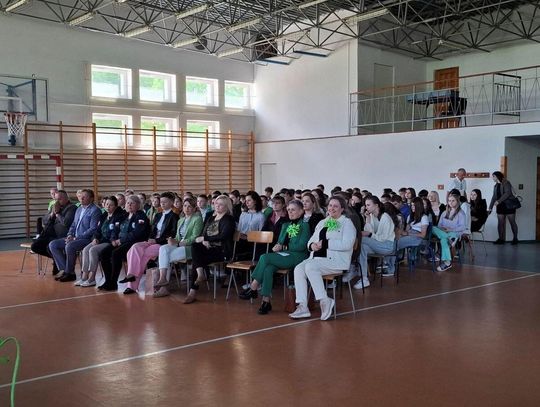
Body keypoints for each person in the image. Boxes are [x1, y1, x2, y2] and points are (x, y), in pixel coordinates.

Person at [289, 196, 356, 321]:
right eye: (330, 205)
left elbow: (348, 244)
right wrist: (312, 246)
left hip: (336, 261)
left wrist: (326, 243)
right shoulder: (323, 222)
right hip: (317, 259)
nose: (332, 208)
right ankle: (303, 306)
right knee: (298, 269)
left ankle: (324, 300)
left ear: (342, 209)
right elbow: (311, 241)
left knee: (310, 267)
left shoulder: (346, 223)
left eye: (335, 206)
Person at [239, 200, 310, 314]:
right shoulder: (286, 225)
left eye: (293, 210)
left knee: (264, 257)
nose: (290, 212)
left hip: (297, 256)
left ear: (301, 211)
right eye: (289, 210)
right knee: (268, 268)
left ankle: (253, 286)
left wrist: (284, 246)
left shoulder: (304, 225)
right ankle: (265, 302)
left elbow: (302, 246)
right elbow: (280, 242)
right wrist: (277, 246)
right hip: (284, 255)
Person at [120, 192, 179, 294]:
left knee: (143, 256)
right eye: (161, 202)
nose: (162, 204)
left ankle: (132, 286)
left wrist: (156, 240)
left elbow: (172, 234)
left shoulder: (174, 217)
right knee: (134, 247)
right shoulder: (158, 215)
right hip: (152, 241)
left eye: (165, 202)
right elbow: (152, 230)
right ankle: (131, 274)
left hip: (162, 244)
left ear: (171, 203)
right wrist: (150, 239)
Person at [183, 195, 236, 304]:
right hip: (208, 249)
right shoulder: (211, 218)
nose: (217, 206)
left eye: (221, 204)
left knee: (197, 261)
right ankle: (200, 275)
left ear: (227, 207)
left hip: (221, 251)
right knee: (195, 246)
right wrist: (204, 241)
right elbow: (203, 233)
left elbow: (223, 236)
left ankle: (193, 291)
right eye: (216, 203)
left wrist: (206, 239)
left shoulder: (229, 219)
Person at [153, 197, 204, 298]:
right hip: (178, 245)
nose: (186, 208)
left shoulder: (197, 219)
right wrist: (172, 239)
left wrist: (180, 243)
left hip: (190, 247)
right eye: (185, 206)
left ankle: (164, 288)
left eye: (190, 206)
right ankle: (163, 278)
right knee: (163, 248)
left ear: (194, 208)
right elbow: (177, 237)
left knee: (165, 257)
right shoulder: (180, 220)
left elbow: (195, 237)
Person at [98, 195, 150, 291]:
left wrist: (120, 241)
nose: (129, 205)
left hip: (133, 242)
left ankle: (113, 282)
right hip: (120, 241)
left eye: (132, 203)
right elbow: (115, 228)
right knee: (103, 253)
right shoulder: (124, 216)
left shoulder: (141, 216)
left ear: (138, 205)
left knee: (115, 253)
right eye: (128, 203)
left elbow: (136, 234)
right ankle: (107, 280)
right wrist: (113, 239)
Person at [49, 189, 102, 282]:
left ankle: (70, 273)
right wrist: (70, 234)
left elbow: (93, 229)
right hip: (74, 237)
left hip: (86, 239)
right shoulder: (79, 209)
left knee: (70, 246)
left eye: (84, 197)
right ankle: (65, 270)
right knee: (53, 244)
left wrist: (76, 238)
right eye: (81, 196)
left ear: (91, 199)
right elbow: (73, 225)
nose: (81, 198)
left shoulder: (95, 210)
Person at [77, 196, 126, 287]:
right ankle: (84, 276)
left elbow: (115, 231)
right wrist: (95, 238)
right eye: (107, 204)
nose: (108, 206)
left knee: (93, 250)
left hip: (109, 241)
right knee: (85, 250)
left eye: (111, 205)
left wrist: (110, 240)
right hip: (100, 240)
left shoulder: (119, 216)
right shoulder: (103, 216)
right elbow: (97, 230)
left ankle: (92, 278)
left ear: (116, 206)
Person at [31, 190, 77, 275]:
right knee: (35, 246)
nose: (57, 202)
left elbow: (66, 223)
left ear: (66, 198)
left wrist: (58, 214)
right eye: (56, 199)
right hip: (48, 234)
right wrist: (51, 214)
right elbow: (44, 220)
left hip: (61, 235)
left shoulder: (71, 208)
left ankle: (64, 268)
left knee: (50, 247)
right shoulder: (54, 206)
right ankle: (56, 260)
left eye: (59, 199)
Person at [355, 196, 398, 287]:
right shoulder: (371, 216)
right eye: (366, 205)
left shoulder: (385, 217)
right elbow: (369, 231)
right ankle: (364, 278)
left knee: (362, 239)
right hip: (377, 244)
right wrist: (368, 219)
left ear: (376, 205)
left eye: (368, 205)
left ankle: (352, 268)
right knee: (362, 247)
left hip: (387, 246)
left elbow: (382, 238)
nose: (366, 207)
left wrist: (369, 234)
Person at [388, 197, 429, 274]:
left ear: (419, 206)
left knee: (395, 244)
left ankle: (390, 268)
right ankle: (389, 264)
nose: (412, 207)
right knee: (392, 240)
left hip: (417, 237)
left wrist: (407, 234)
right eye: (412, 205)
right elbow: (407, 230)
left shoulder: (424, 217)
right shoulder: (410, 216)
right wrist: (400, 232)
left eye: (414, 206)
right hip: (410, 234)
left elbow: (423, 235)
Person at [432, 193, 467, 271]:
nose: (450, 202)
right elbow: (439, 225)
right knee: (433, 228)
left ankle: (447, 262)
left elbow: (462, 227)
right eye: (449, 201)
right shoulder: (444, 212)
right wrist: (442, 229)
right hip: (444, 232)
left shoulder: (461, 213)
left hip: (454, 233)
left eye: (453, 201)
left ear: (457, 201)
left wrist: (450, 229)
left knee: (443, 240)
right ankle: (449, 239)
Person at [488, 171, 519, 244]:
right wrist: (490, 207)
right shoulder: (496, 186)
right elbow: (494, 197)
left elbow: (508, 193)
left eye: (493, 176)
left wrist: (499, 201)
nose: (492, 178)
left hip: (509, 205)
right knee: (500, 223)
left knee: (512, 222)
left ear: (497, 176)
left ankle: (515, 239)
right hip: (500, 206)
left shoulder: (506, 183)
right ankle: (501, 239)